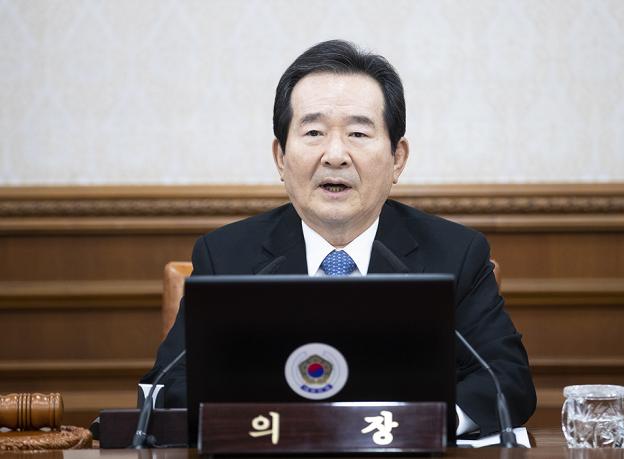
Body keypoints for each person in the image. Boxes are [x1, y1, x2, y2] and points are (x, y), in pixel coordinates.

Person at [141, 39, 536, 436]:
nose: (335, 155)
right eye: (313, 132)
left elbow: (507, 379)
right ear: (281, 157)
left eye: (358, 134)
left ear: (397, 159)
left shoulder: (456, 255)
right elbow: (167, 386)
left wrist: (420, 423)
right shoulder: (226, 257)